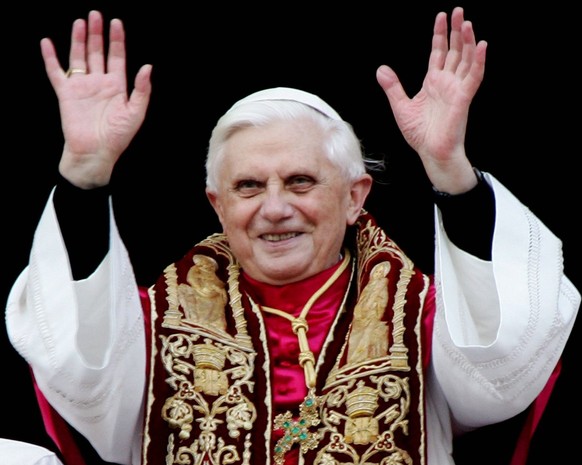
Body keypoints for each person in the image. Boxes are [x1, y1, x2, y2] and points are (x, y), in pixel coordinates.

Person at [5, 6, 580, 465]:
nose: (275, 209)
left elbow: (502, 366)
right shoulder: (152, 324)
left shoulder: (421, 314)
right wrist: (84, 174)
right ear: (218, 205)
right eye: (249, 187)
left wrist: (450, 169)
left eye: (301, 182)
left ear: (356, 197)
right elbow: (81, 367)